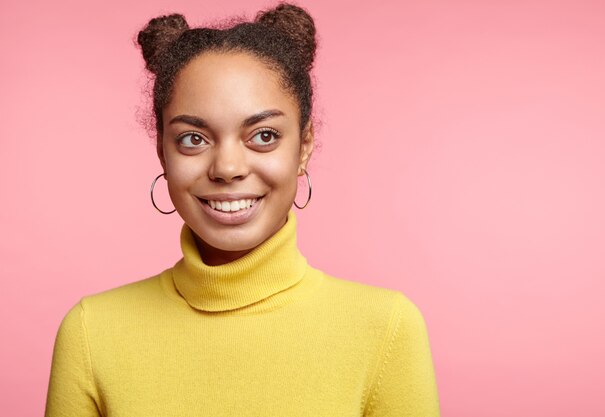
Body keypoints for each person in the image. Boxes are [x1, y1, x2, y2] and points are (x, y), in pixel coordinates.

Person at [44, 3, 440, 416]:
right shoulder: (92, 332)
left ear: (304, 146)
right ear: (162, 151)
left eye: (263, 135)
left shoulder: (386, 329)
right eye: (193, 139)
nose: (227, 168)